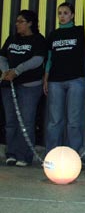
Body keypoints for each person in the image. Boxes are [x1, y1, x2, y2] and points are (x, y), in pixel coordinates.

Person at [0, 10, 47, 167]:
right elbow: (2, 56)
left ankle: (24, 156)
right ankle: (11, 153)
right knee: (11, 121)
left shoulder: (38, 39)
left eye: (21, 21)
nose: (17, 24)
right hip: (9, 85)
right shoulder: (12, 38)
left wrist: (17, 70)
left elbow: (37, 60)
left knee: (26, 121)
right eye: (17, 21)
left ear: (30, 23)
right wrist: (6, 70)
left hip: (29, 86)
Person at [44, 2, 85, 154]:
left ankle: (73, 155)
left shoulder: (80, 31)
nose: (62, 16)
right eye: (60, 13)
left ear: (72, 15)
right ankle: (51, 154)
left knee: (74, 121)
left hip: (76, 79)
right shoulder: (53, 35)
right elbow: (49, 58)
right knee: (54, 121)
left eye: (65, 13)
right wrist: (46, 78)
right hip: (55, 80)